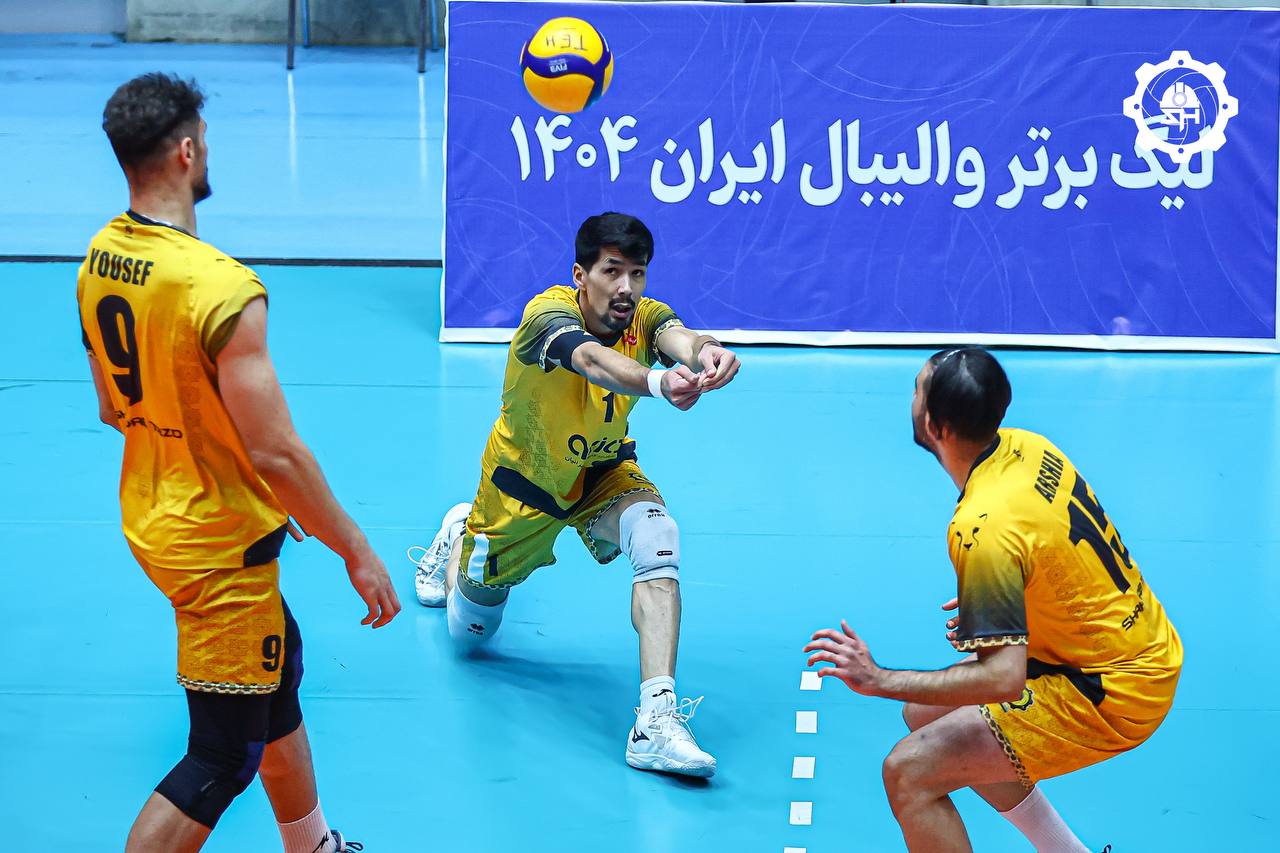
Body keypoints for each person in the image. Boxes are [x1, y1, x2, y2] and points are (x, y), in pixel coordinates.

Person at [77, 72, 399, 852]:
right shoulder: (221, 288)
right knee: (222, 757)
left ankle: (312, 844)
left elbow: (112, 407)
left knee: (275, 677)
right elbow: (275, 452)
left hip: (155, 513)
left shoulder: (101, 256)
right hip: (217, 545)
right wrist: (356, 548)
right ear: (187, 152)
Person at [805, 347, 1181, 852]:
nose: (912, 397)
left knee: (908, 772)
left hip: (1111, 692)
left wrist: (879, 679)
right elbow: (1054, 553)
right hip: (1137, 645)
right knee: (923, 714)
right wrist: (1001, 603)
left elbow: (1002, 679)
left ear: (935, 426)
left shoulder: (981, 527)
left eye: (917, 390)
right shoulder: (1029, 446)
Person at [409, 212, 739, 777]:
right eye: (612, 271)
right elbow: (590, 360)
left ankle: (655, 722)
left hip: (600, 473)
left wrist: (706, 352)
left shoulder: (644, 316)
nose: (626, 287)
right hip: (522, 490)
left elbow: (676, 337)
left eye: (637, 273)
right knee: (471, 634)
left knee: (657, 534)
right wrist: (658, 382)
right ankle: (461, 532)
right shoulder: (547, 316)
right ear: (581, 275)